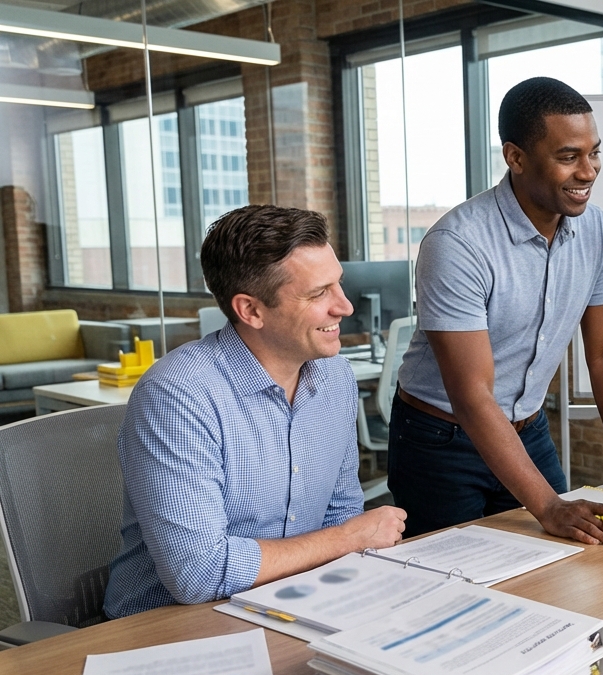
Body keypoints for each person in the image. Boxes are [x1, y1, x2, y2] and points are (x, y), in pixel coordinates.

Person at [389, 77, 603, 545]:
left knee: (562, 564)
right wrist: (548, 505)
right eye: (568, 157)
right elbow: (472, 395)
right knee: (451, 582)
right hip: (440, 443)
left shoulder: (595, 230)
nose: (588, 171)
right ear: (516, 157)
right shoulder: (457, 245)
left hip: (528, 431)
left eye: (594, 153)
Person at [105, 206, 408, 618]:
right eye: (318, 293)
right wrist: (347, 539)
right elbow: (198, 575)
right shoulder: (178, 396)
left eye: (339, 285)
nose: (345, 307)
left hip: (292, 605)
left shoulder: (334, 375)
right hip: (171, 627)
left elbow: (341, 511)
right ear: (251, 310)